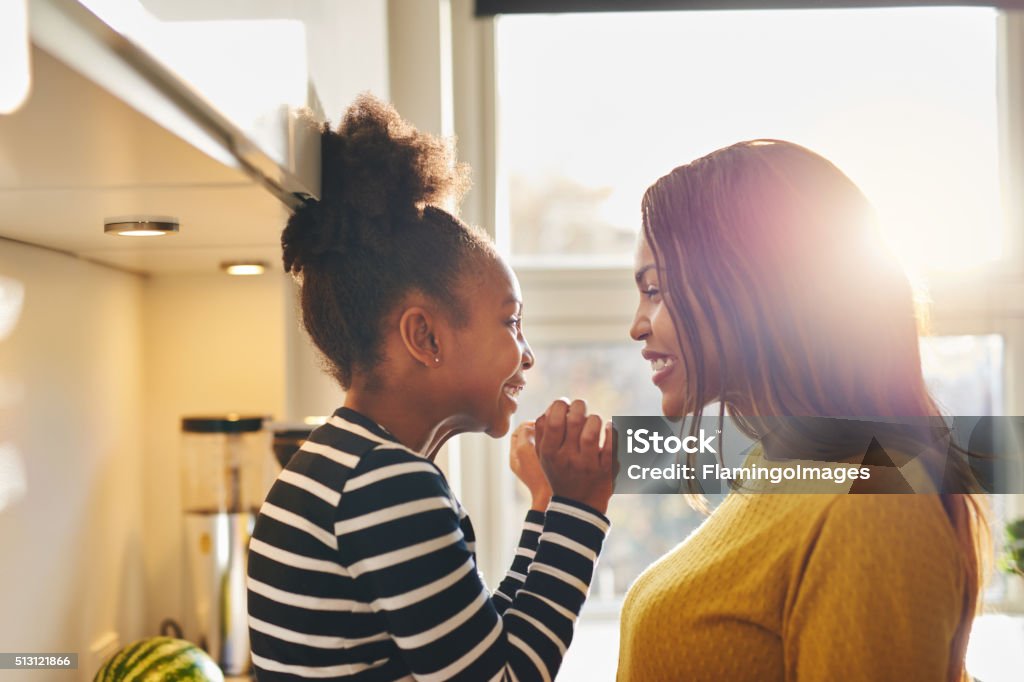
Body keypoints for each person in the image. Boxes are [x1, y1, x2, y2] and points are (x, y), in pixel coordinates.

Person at [247, 94, 615, 681]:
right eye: (510, 321)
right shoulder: (390, 486)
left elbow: (483, 650)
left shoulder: (337, 465)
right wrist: (583, 509)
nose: (527, 353)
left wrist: (546, 506)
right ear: (425, 336)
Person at [616, 140, 989, 681]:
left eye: (654, 289)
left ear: (753, 290)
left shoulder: (871, 503)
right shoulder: (779, 469)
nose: (637, 325)